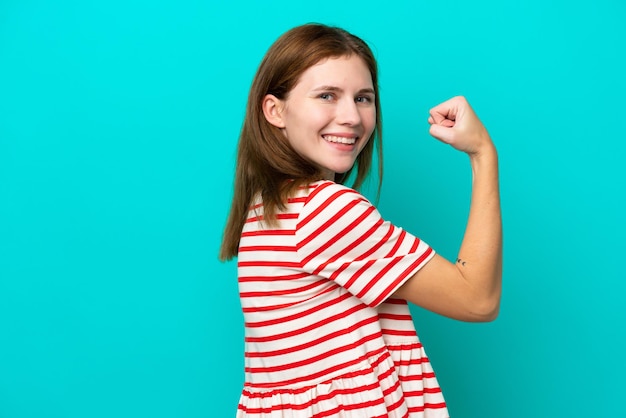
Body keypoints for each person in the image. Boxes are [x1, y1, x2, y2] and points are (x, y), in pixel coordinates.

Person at [220, 23, 502, 418]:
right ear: (275, 110)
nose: (352, 116)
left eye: (364, 98)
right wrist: (483, 155)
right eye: (327, 96)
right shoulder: (326, 210)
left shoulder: (268, 207)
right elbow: (478, 300)